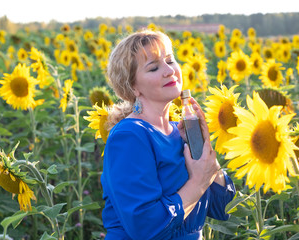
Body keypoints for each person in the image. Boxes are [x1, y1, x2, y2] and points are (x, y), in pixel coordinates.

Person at [100, 29, 236, 240]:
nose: (169, 71)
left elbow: (224, 207)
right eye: (154, 67)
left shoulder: (178, 132)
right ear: (133, 86)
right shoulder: (129, 137)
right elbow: (146, 227)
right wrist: (198, 181)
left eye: (170, 61)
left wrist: (204, 147)